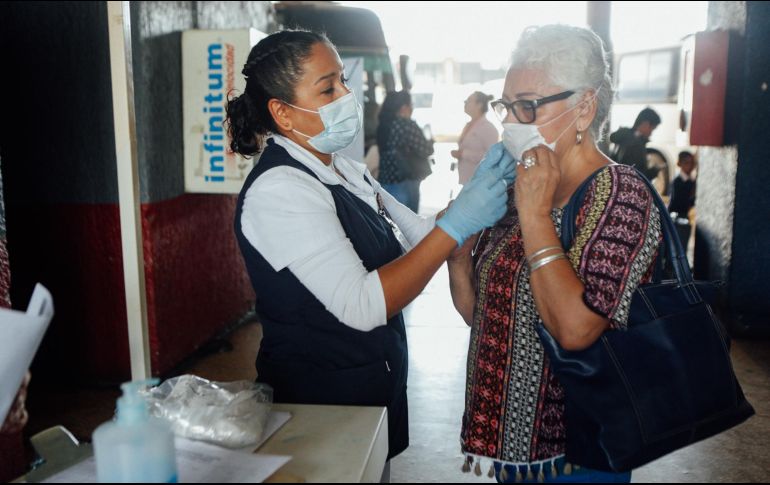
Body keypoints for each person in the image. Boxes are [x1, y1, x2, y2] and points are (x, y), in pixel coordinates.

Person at [225, 30, 515, 461]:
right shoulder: (280, 190)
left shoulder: (344, 169)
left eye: (343, 80)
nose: (347, 94)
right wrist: (455, 226)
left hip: (372, 381)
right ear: (283, 114)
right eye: (328, 87)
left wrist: (464, 207)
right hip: (321, 400)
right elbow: (360, 304)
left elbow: (416, 233)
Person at [448, 25, 662, 483]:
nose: (511, 122)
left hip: (577, 455)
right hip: (510, 450)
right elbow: (487, 316)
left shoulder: (619, 194)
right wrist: (459, 256)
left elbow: (575, 329)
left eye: (528, 105)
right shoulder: (518, 185)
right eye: (507, 106)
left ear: (584, 108)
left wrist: (535, 215)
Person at [376, 91, 435, 212]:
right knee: (409, 226)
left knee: (390, 224)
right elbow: (426, 150)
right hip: (405, 181)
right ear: (404, 107)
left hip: (385, 181)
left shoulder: (383, 125)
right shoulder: (407, 125)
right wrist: (430, 142)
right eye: (411, 105)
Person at [451, 91, 500, 185]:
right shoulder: (469, 125)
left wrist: (464, 154)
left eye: (468, 101)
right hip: (466, 179)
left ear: (479, 105)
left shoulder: (488, 128)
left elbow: (492, 157)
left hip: (480, 183)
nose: (465, 103)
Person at [609, 107, 661, 181]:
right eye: (652, 129)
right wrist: (654, 171)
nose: (651, 133)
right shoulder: (636, 144)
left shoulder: (625, 135)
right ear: (645, 124)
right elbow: (636, 175)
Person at [668, 150, 697, 250]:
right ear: (679, 164)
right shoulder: (678, 181)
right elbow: (678, 202)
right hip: (677, 218)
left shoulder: (690, 180)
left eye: (692, 163)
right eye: (687, 163)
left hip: (684, 217)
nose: (690, 166)